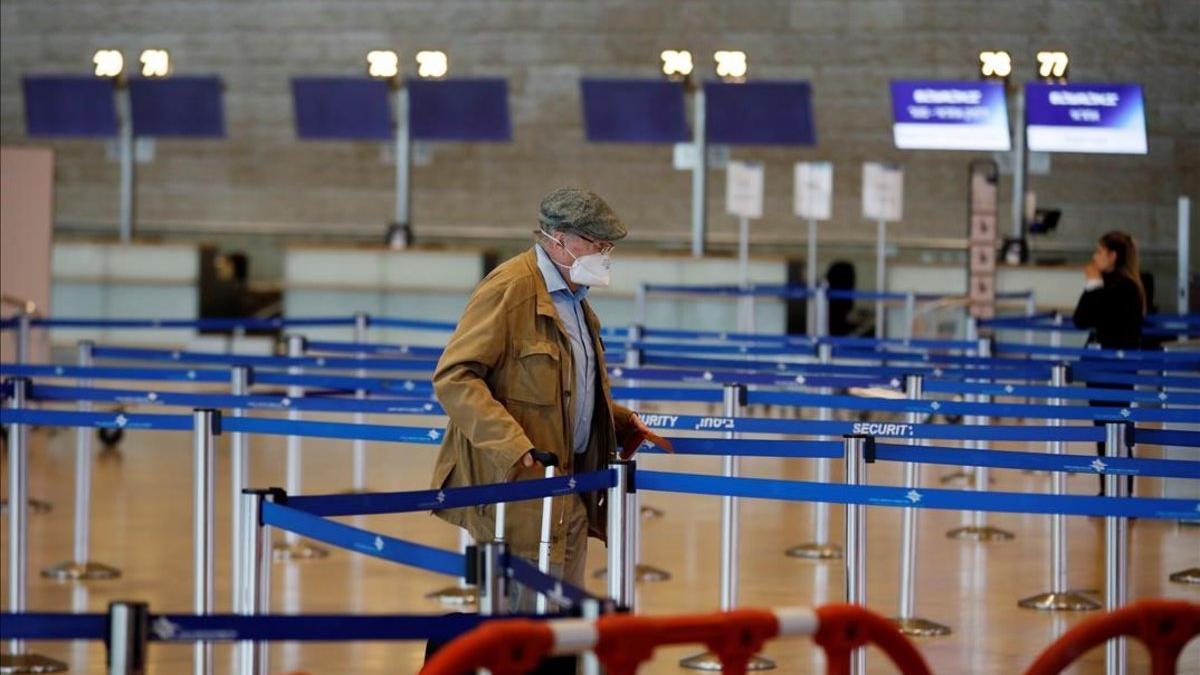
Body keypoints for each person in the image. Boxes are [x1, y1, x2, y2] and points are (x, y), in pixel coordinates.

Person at [429, 187, 650, 611]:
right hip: (518, 494)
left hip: (571, 491)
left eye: (608, 246)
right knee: (520, 626)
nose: (604, 254)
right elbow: (455, 377)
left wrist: (617, 421)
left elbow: (567, 386)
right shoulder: (510, 289)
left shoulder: (577, 303)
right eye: (596, 243)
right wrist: (514, 448)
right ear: (560, 239)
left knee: (561, 627)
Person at [1072, 231, 1146, 496]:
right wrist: (1093, 286)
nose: (1095, 257)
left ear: (1112, 256)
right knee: (1102, 430)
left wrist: (1094, 287)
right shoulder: (1103, 283)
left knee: (1117, 430)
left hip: (1117, 370)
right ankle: (1107, 489)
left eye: (1099, 252)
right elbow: (1080, 319)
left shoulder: (1127, 289)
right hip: (1099, 368)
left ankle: (1122, 493)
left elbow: (1111, 325)